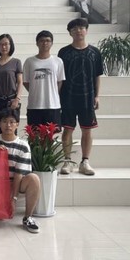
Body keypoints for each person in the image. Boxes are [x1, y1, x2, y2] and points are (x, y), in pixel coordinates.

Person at [58, 18, 103, 176]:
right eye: (75, 28)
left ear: (86, 30)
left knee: (87, 130)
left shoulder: (95, 52)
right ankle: (67, 161)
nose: (78, 31)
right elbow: (60, 77)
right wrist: (57, 96)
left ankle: (85, 162)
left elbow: (97, 76)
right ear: (70, 33)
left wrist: (97, 96)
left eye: (81, 27)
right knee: (67, 130)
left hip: (87, 97)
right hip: (68, 97)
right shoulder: (63, 52)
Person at [0, 108, 41, 233]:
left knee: (34, 179)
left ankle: (28, 217)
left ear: (17, 124)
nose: (8, 125)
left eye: (12, 122)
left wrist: (13, 199)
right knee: (0, 218)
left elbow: (19, 174)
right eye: (4, 121)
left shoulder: (23, 146)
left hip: (16, 182)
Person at [23, 30, 65, 127]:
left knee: (52, 134)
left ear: (52, 43)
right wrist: (35, 90)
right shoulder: (29, 61)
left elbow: (60, 81)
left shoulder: (58, 61)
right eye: (42, 41)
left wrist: (52, 92)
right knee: (35, 134)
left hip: (53, 105)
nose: (45, 43)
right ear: (37, 43)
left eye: (47, 41)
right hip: (34, 105)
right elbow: (25, 82)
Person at [0, 34, 24, 134]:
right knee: (0, 132)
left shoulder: (16, 62)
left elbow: (20, 82)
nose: (4, 47)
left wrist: (17, 99)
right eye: (1, 44)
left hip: (11, 102)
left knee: (12, 132)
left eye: (6, 44)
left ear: (11, 45)